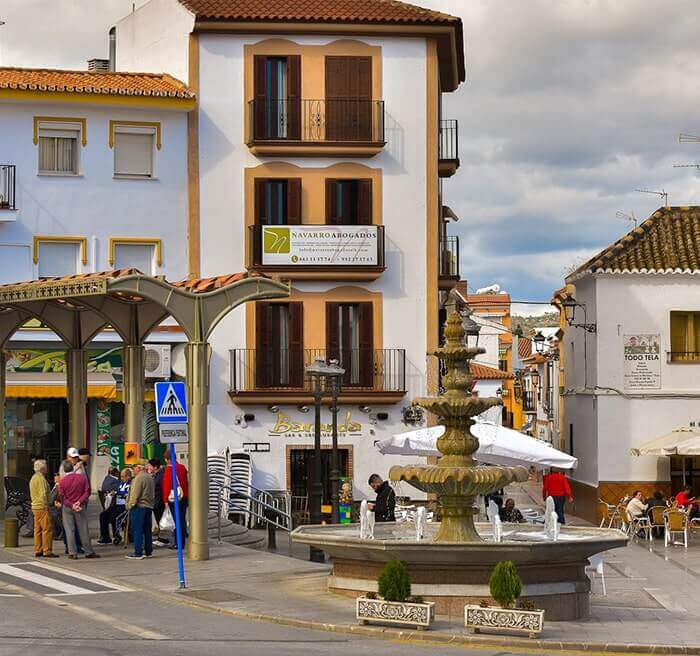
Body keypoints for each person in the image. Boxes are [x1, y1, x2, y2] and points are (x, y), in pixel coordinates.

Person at [57, 462, 99, 560]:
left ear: (64, 470)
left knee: (69, 530)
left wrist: (72, 505)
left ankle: (72, 552)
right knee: (83, 529)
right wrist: (79, 502)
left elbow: (62, 496)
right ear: (72, 468)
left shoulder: (62, 482)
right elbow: (87, 491)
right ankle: (89, 551)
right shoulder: (82, 478)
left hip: (67, 507)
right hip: (80, 506)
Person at [126, 463, 155, 560]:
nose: (133, 470)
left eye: (134, 468)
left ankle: (138, 552)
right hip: (148, 506)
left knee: (137, 530)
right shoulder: (150, 477)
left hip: (139, 506)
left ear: (139, 468)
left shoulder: (138, 478)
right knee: (147, 530)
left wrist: (130, 505)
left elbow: (135, 494)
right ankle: (148, 551)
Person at [30, 459, 57, 558]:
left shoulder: (33, 478)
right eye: (45, 467)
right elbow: (43, 494)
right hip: (42, 506)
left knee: (37, 529)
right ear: (42, 468)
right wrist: (47, 504)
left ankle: (38, 549)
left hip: (35, 506)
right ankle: (47, 550)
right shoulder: (41, 479)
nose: (47, 469)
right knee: (47, 529)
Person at [162, 451, 189, 549]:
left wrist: (165, 500)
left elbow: (167, 486)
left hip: (174, 498)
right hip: (184, 496)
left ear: (167, 459)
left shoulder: (169, 469)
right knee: (182, 519)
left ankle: (178, 543)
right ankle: (182, 541)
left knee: (176, 521)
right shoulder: (182, 467)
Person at [97, 467, 121, 544]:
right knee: (103, 515)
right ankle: (105, 537)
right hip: (114, 504)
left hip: (121, 505)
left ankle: (115, 536)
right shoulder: (115, 481)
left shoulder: (110, 480)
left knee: (112, 515)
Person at [147, 459, 168, 546]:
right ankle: (161, 537)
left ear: (155, 467)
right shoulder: (156, 475)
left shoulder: (160, 476)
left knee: (160, 520)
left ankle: (163, 539)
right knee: (159, 519)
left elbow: (156, 487)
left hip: (159, 501)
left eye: (150, 466)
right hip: (156, 500)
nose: (148, 467)